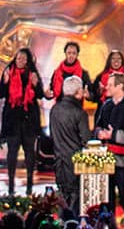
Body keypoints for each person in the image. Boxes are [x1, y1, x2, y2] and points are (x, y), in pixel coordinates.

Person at [0, 47, 45, 195]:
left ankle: (30, 184)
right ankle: (11, 185)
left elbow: (40, 95)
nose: (20, 61)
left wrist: (36, 85)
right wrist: (4, 82)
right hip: (13, 120)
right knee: (12, 152)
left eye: (24, 59)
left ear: (28, 61)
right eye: (18, 58)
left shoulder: (33, 74)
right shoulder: (8, 72)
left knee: (30, 152)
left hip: (29, 120)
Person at [95, 72, 124, 204]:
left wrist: (113, 135)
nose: (106, 87)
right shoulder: (106, 105)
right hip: (106, 161)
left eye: (110, 85)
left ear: (120, 86)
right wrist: (99, 133)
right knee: (107, 200)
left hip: (123, 162)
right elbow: (98, 125)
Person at [50, 75, 92, 215]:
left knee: (62, 200)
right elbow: (87, 140)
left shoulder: (54, 110)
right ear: (78, 92)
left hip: (59, 162)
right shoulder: (79, 113)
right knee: (75, 202)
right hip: (75, 164)